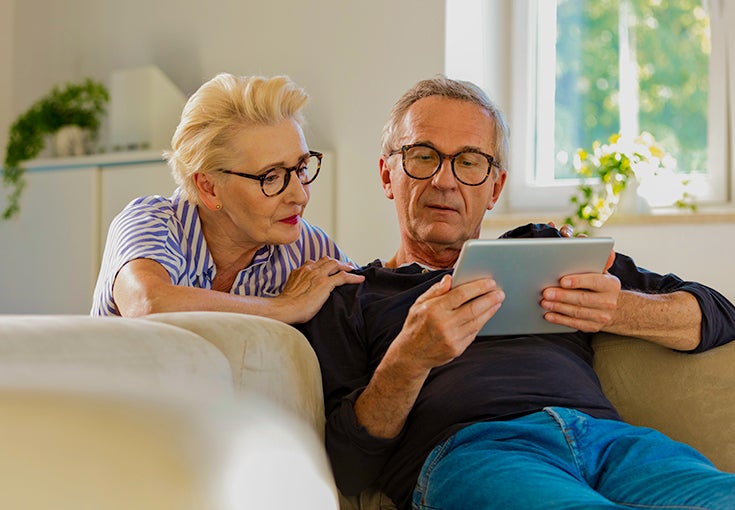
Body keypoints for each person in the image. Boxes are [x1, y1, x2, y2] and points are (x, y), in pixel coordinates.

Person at [297, 76, 735, 509]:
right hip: (477, 455)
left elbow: (719, 314)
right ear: (387, 175)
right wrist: (409, 359)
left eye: (469, 162)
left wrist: (619, 309)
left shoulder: (547, 249)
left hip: (608, 443)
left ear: (495, 187)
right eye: (424, 156)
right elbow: (351, 466)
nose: (444, 181)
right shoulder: (350, 295)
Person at [91, 73, 363, 321]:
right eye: (270, 177)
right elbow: (148, 304)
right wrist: (284, 307)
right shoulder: (151, 222)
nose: (300, 195)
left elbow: (366, 311)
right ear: (209, 187)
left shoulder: (309, 248)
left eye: (302, 168)